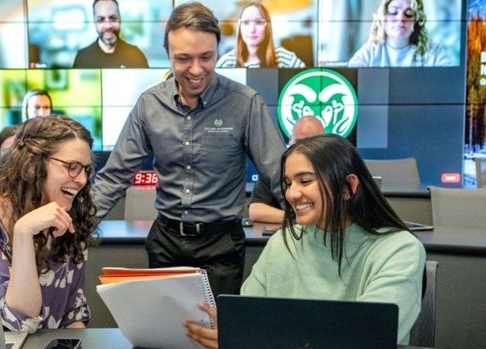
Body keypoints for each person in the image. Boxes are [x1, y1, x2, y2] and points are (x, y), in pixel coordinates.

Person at [92, 2, 286, 296]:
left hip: (220, 246)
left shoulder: (245, 103)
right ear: (168, 54)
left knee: (213, 339)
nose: (196, 70)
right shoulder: (149, 104)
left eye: (206, 57)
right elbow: (115, 176)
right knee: (163, 337)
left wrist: (317, 226)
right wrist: (78, 228)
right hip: (165, 243)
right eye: (183, 58)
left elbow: (281, 174)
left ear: (218, 50)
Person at [185, 134, 426, 349]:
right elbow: (250, 317)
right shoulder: (283, 241)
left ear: (348, 187)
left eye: (305, 181)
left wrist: (252, 338)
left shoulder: (399, 249)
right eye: (289, 183)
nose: (291, 194)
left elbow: (366, 335)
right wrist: (231, 327)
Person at [0, 115, 97, 332]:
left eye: (85, 169)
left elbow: (72, 314)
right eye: (72, 166)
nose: (82, 180)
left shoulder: (68, 214)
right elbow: (18, 322)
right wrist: (23, 231)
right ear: (32, 164)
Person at [248, 115, 325, 224]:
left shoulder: (336, 168)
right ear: (290, 140)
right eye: (288, 183)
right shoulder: (273, 168)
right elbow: (255, 211)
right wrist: (298, 216)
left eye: (312, 142)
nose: (305, 148)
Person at [348, 0, 452, 67]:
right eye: (393, 12)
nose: (400, 19)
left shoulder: (432, 52)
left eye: (409, 13)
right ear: (383, 18)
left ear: (416, 22)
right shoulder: (370, 52)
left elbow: (450, 79)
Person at [216, 2, 305, 68]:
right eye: (246, 22)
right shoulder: (227, 62)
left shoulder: (285, 59)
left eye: (258, 22)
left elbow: (309, 80)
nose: (252, 29)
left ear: (267, 27)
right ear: (240, 27)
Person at [73, 0, 148, 68]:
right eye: (101, 20)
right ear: (94, 23)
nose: (108, 26)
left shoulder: (136, 55)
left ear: (120, 20)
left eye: (113, 18)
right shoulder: (83, 57)